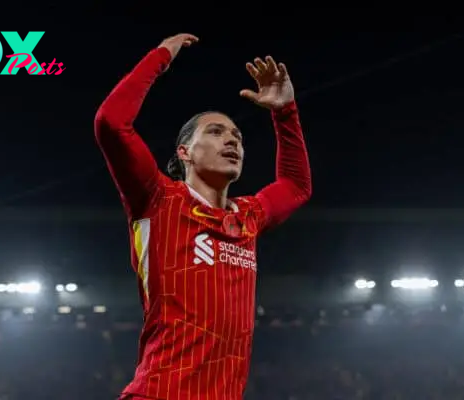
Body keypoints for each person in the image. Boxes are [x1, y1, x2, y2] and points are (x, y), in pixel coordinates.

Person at [94, 33, 312, 400]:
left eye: (238, 136)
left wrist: (285, 112)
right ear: (185, 152)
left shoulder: (249, 216)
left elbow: (295, 185)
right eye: (216, 132)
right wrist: (161, 56)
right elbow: (111, 123)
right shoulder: (159, 199)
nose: (232, 141)